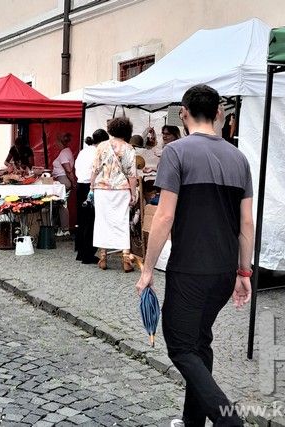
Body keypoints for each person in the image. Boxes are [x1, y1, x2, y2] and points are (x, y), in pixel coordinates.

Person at [135, 85, 253, 427]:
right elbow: (247, 222)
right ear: (219, 113)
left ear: (183, 113)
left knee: (181, 346)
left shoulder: (176, 153)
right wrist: (243, 272)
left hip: (190, 268)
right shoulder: (239, 158)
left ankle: (228, 420)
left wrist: (147, 269)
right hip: (223, 270)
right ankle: (192, 421)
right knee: (199, 342)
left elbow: (164, 216)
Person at [90, 117, 137, 272]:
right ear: (127, 130)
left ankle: (103, 257)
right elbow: (132, 174)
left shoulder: (102, 146)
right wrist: (133, 193)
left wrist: (91, 186)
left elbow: (95, 169)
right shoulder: (129, 148)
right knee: (122, 221)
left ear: (111, 129)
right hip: (121, 189)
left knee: (102, 221)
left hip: (102, 189)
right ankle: (126, 259)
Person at [75, 129, 108, 264]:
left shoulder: (83, 151)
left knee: (82, 221)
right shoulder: (99, 152)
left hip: (80, 185)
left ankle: (80, 252)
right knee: (92, 221)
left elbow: (76, 168)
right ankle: (88, 255)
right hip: (91, 187)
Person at [52, 132, 76, 236]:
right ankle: (62, 228)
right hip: (63, 180)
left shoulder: (63, 153)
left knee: (62, 204)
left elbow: (68, 170)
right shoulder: (67, 151)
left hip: (63, 180)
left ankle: (65, 229)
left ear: (60, 142)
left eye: (56, 142)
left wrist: (73, 182)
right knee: (61, 204)